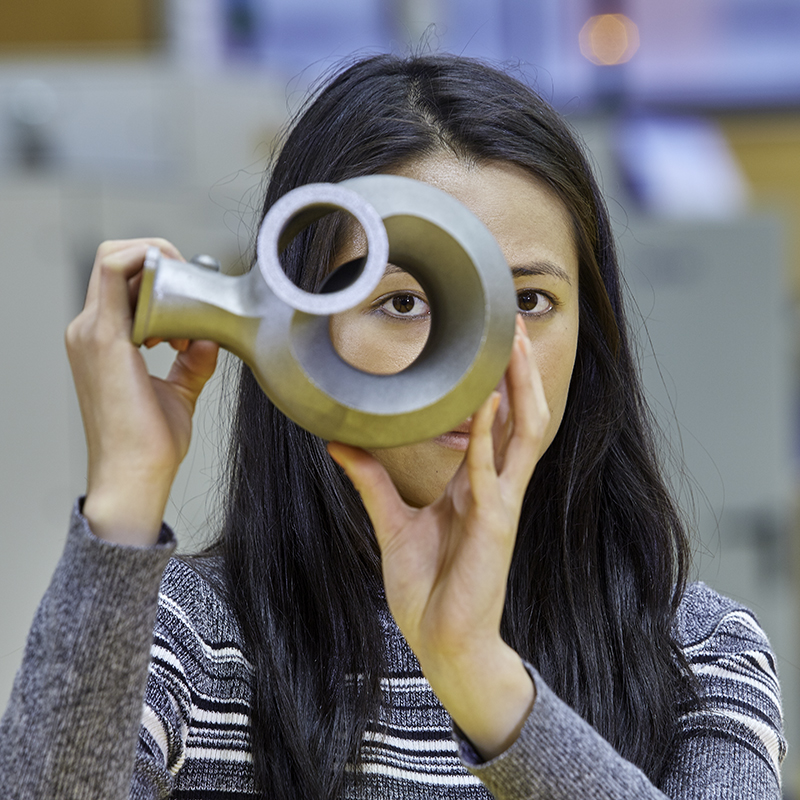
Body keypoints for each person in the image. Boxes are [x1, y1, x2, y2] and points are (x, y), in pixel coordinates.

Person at [0, 53, 785, 799]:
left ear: (592, 334)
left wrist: (477, 672)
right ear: (297, 324)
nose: (480, 363)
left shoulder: (700, 654)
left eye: (531, 302)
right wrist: (126, 500)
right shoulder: (183, 641)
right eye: (404, 301)